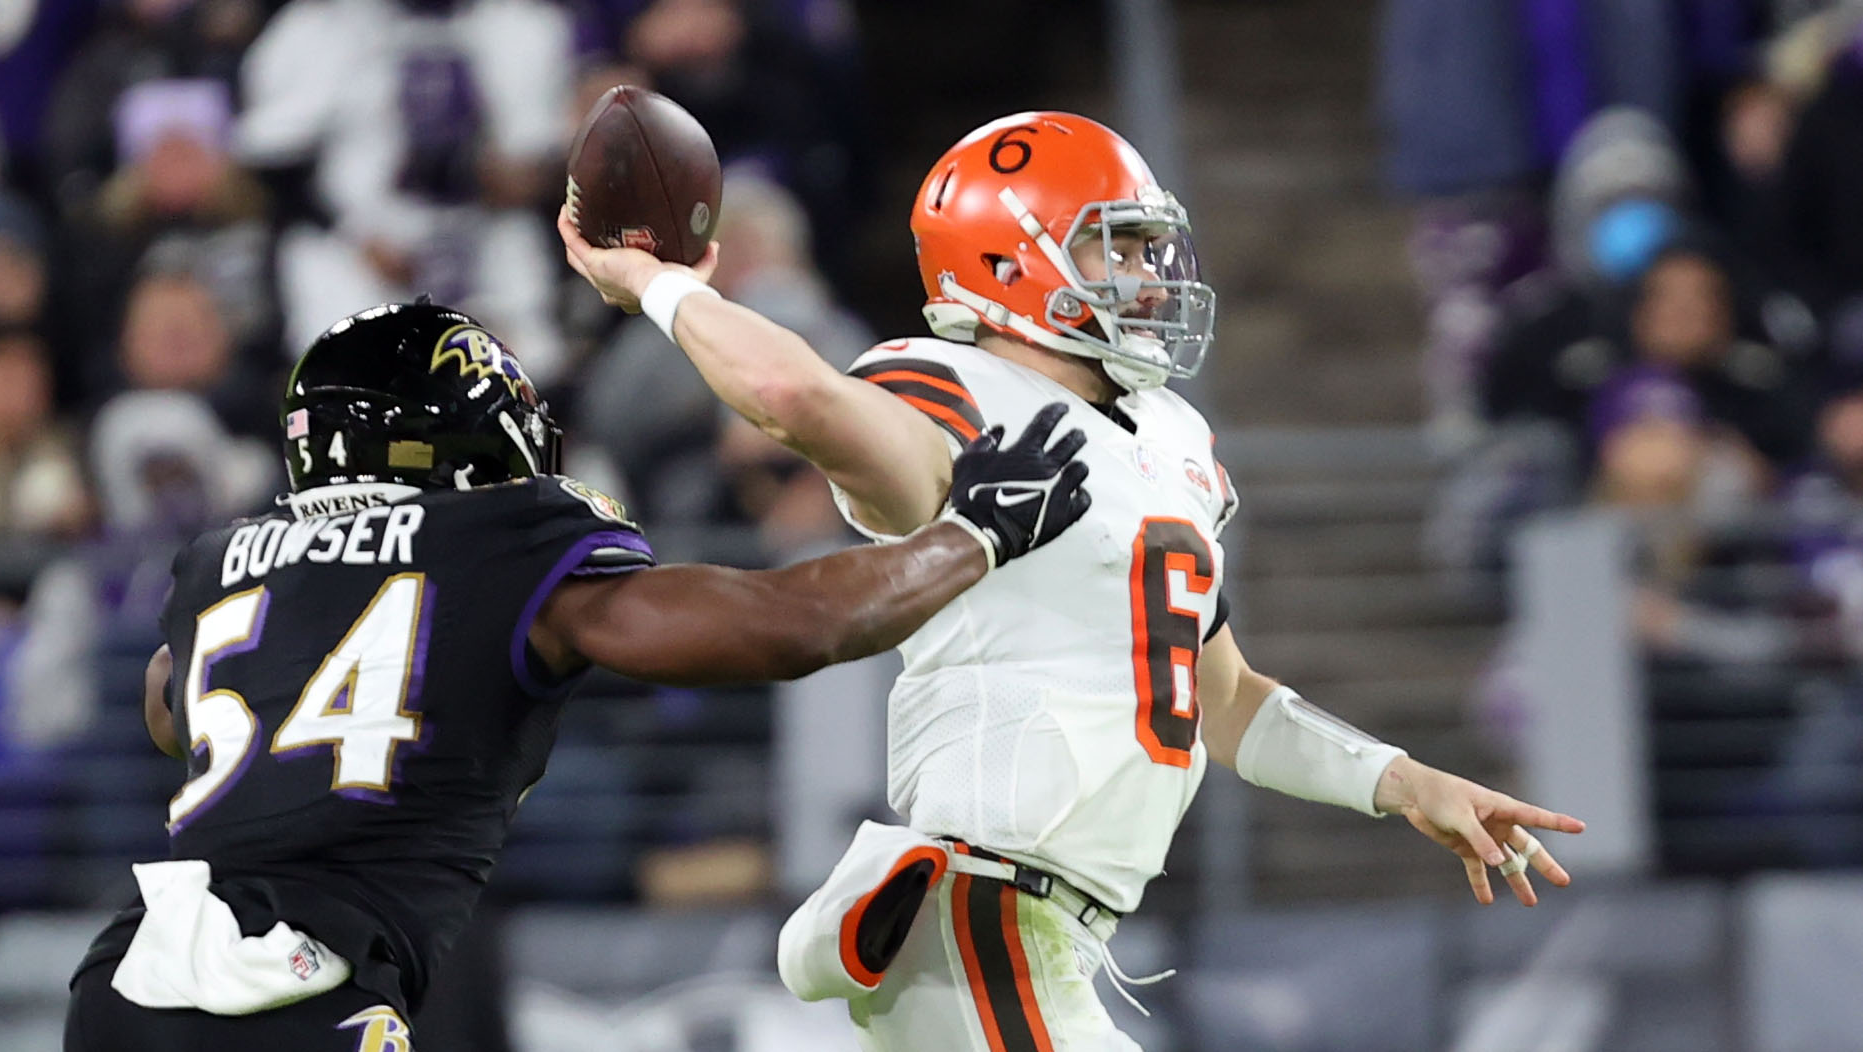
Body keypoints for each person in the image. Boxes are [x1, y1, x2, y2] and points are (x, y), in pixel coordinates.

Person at [559, 111, 1589, 1050]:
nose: (1150, 272)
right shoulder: (950, 390)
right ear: (1008, 252)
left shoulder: (1171, 437)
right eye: (1118, 244)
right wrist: (662, 286)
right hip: (976, 908)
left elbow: (1222, 696)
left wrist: (1405, 779)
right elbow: (790, 393)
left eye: (1151, 244)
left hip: (1049, 934)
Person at [62, 299, 1093, 1051]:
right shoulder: (501, 539)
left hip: (129, 977)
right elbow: (795, 625)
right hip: (302, 984)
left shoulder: (222, 558)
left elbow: (170, 707)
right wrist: (977, 536)